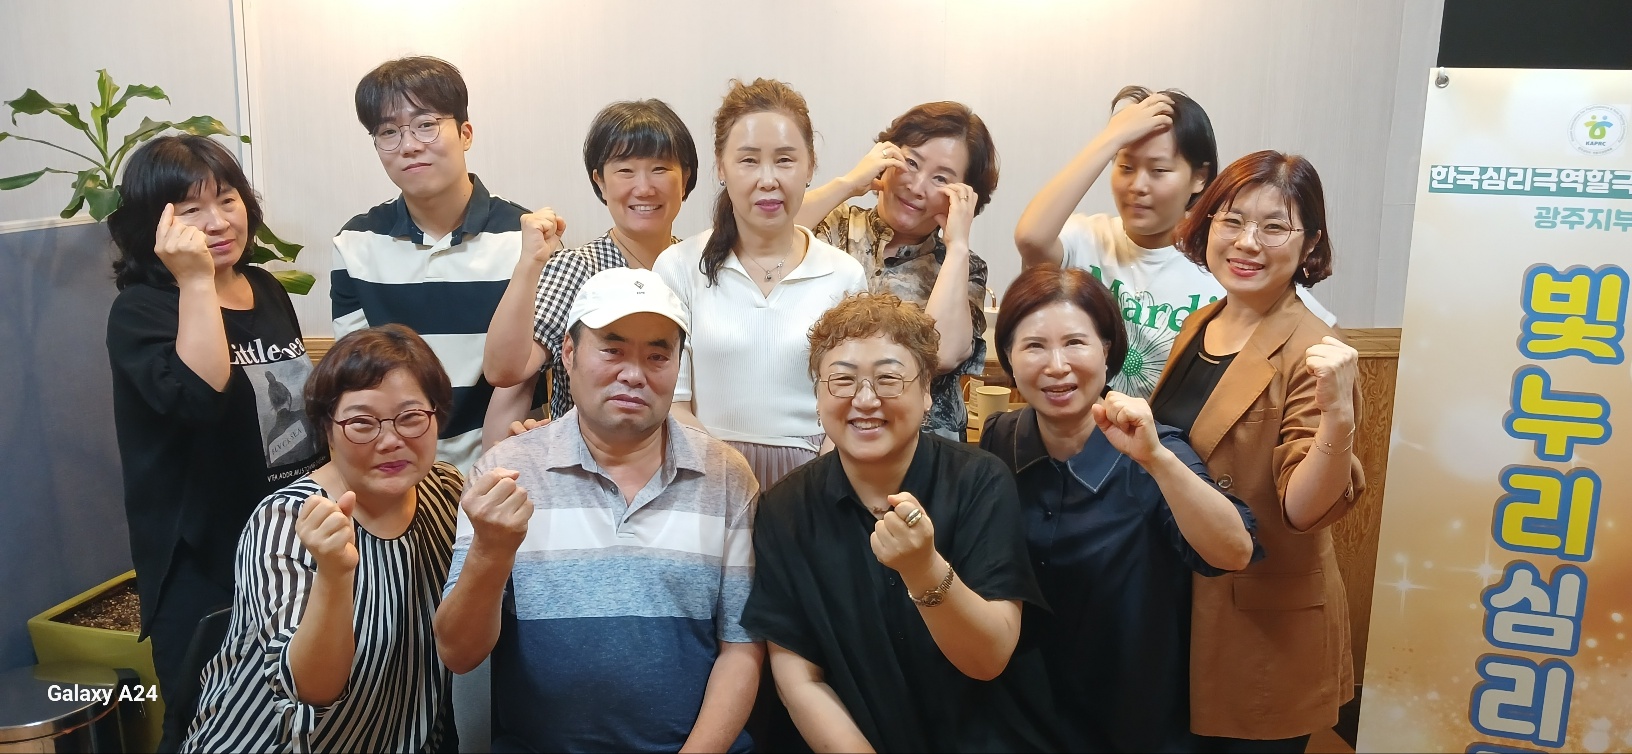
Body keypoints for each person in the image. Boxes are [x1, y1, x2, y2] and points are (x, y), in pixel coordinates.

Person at [436, 268, 762, 752]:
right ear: (568, 353)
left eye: (658, 356)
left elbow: (742, 647)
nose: (634, 374)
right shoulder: (506, 473)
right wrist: (491, 550)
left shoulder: (726, 476)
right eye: (612, 350)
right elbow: (459, 653)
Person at [741, 292, 1060, 753]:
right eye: (842, 380)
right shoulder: (785, 508)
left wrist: (923, 569)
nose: (865, 399)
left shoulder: (979, 482)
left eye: (888, 379)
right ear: (818, 394)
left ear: (927, 390)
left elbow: (989, 658)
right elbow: (800, 679)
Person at [980, 265, 1262, 752]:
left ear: (1107, 350)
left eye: (1075, 343)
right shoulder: (999, 439)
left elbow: (1233, 552)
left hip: (1133, 717)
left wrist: (1156, 460)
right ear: (1007, 356)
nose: (1057, 366)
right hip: (1021, 712)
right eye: (1034, 346)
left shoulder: (1156, 447)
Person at [105, 134, 324, 751]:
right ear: (155, 225)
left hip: (288, 545)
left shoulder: (266, 288)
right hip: (207, 565)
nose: (218, 221)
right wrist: (197, 282)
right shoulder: (142, 310)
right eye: (190, 210)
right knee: (212, 725)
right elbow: (200, 397)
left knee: (294, 715)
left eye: (227, 200)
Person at [1148, 150, 1365, 752]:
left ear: (1310, 242)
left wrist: (1339, 418)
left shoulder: (1316, 352)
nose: (1248, 242)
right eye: (1233, 220)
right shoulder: (1202, 323)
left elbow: (1303, 509)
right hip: (1186, 605)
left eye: (1275, 226)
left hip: (1264, 627)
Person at [184, 325, 485, 751]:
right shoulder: (287, 520)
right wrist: (333, 572)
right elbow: (310, 688)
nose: (391, 440)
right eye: (362, 422)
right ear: (327, 427)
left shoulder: (446, 490)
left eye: (411, 418)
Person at [1013, 85, 1334, 398]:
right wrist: (1111, 138)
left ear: (1199, 177)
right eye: (1125, 167)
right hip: (1085, 427)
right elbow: (1030, 237)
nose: (1138, 186)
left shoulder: (1228, 261)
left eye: (1158, 170)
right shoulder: (1086, 238)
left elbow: (1320, 338)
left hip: (1176, 434)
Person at [653, 77, 867, 489]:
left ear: (810, 167)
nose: (768, 179)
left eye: (785, 160)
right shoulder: (679, 267)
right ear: (721, 167)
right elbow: (672, 403)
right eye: (749, 161)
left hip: (816, 477)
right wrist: (728, 481)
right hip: (705, 472)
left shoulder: (844, 274)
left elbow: (851, 399)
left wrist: (813, 491)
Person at [331, 55, 540, 473]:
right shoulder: (356, 243)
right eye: (388, 132)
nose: (408, 145)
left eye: (425, 125)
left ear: (465, 134)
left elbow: (526, 377)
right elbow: (359, 380)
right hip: (400, 474)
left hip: (506, 468)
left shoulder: (525, 239)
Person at [482, 99, 699, 422]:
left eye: (660, 169)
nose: (643, 188)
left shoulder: (699, 266)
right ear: (600, 181)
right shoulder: (577, 268)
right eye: (625, 171)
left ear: (685, 178)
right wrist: (529, 263)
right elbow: (505, 371)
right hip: (588, 450)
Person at [796, 101, 998, 440]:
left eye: (940, 178)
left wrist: (958, 246)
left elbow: (942, 354)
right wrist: (849, 184)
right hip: (823, 437)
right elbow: (763, 236)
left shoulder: (963, 265)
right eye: (911, 163)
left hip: (924, 447)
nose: (917, 187)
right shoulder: (832, 229)